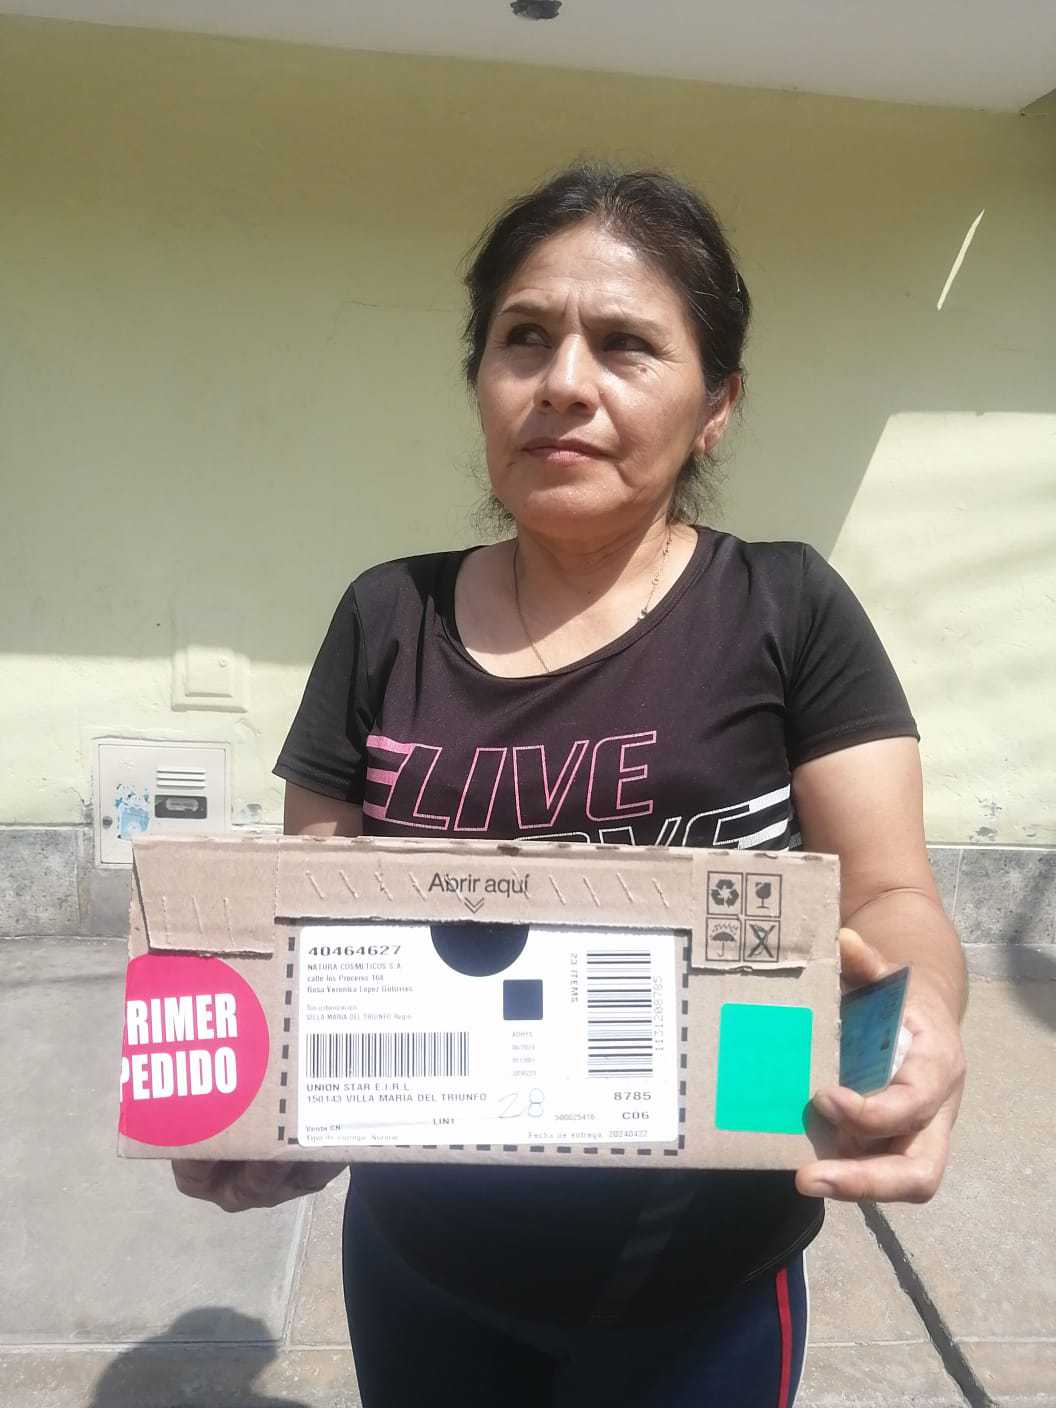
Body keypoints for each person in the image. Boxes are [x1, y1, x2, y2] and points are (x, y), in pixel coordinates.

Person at [174, 165, 967, 1406]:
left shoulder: (788, 608)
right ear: (481, 381)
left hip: (703, 1291)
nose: (564, 383)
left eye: (627, 344)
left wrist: (918, 1030)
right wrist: (270, 1119)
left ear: (717, 404)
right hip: (423, 1266)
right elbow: (305, 937)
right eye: (525, 338)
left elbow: (888, 894)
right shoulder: (386, 618)